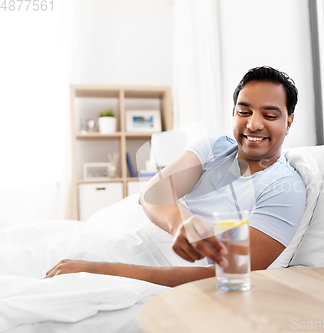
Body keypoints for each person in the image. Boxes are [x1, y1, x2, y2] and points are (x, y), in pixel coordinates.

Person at [45, 66, 307, 287]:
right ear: (233, 113)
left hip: (146, 273)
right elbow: (152, 193)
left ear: (289, 121)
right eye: (244, 112)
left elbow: (229, 275)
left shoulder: (285, 188)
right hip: (127, 242)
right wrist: (182, 223)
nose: (253, 124)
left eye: (270, 115)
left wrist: (100, 272)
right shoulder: (212, 148)